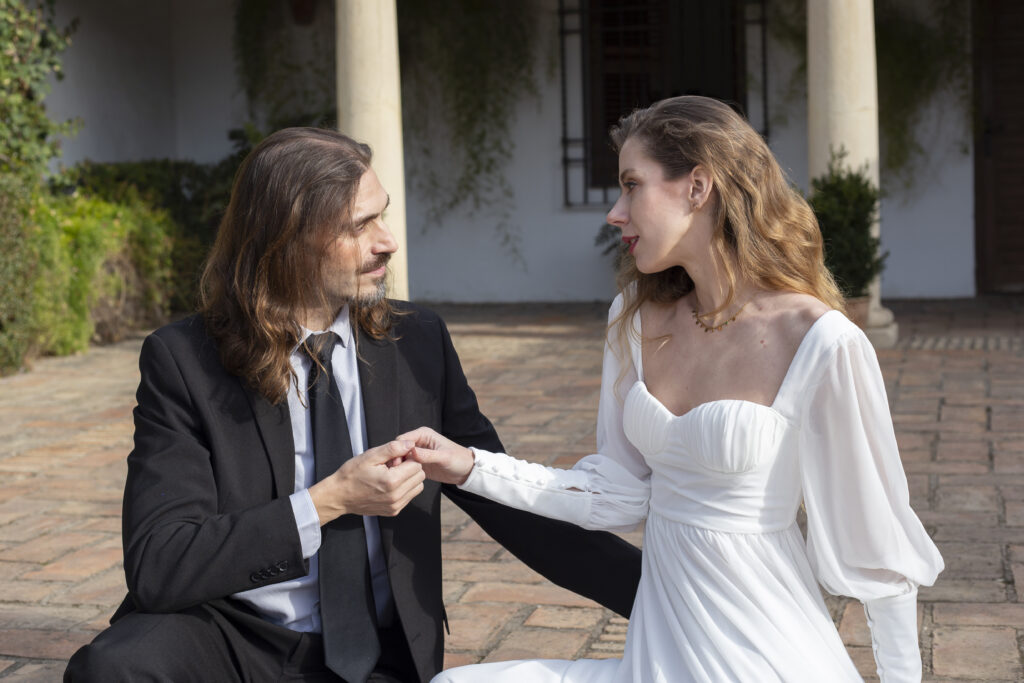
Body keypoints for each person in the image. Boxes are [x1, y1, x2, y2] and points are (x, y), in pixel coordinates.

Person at [64, 127, 642, 683]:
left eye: (381, 214)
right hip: (230, 632)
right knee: (114, 669)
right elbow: (160, 564)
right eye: (359, 226)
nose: (387, 240)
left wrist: (663, 595)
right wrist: (326, 502)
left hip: (372, 653)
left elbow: (508, 504)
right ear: (285, 240)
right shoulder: (185, 361)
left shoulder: (418, 343)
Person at [402, 96, 944, 683]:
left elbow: (878, 556)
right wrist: (468, 465)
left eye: (631, 185)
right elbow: (614, 493)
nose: (615, 211)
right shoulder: (635, 322)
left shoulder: (819, 340)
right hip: (659, 658)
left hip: (768, 656)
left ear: (698, 187)